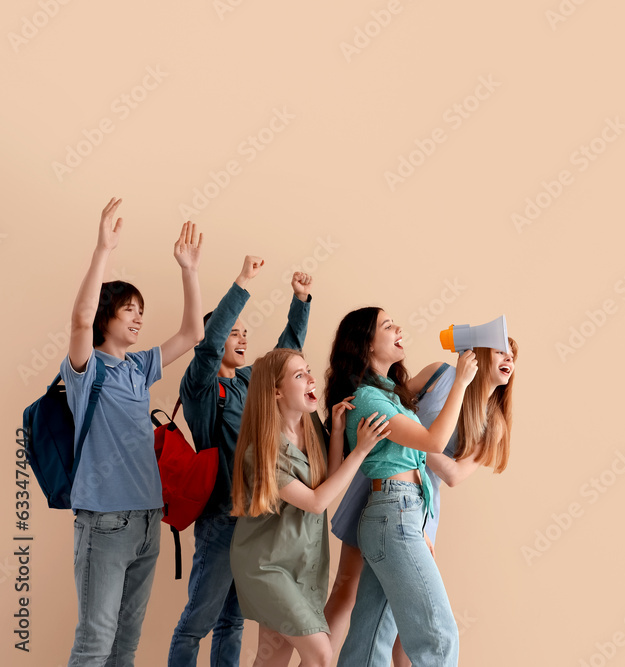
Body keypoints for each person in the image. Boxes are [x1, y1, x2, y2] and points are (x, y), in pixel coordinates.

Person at [63, 197, 204, 666]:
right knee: (95, 642)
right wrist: (102, 251)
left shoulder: (140, 368)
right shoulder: (87, 369)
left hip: (147, 521)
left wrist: (189, 269)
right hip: (104, 524)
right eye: (128, 309)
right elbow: (80, 320)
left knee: (125, 645)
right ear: (108, 317)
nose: (139, 317)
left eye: (140, 309)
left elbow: (192, 333)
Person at [325, 338, 517, 666]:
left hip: (416, 505)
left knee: (378, 630)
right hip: (382, 491)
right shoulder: (440, 374)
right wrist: (412, 440)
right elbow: (391, 405)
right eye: (501, 349)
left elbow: (454, 474)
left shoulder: (492, 420)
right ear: (482, 353)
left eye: (513, 355)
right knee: (352, 596)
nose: (509, 358)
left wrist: (411, 443)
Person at [168, 255, 314, 667]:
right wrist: (243, 283)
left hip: (255, 520)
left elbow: (285, 356)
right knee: (196, 623)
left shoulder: (252, 381)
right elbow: (208, 344)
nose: (242, 338)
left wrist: (300, 301)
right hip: (219, 520)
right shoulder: (201, 386)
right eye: (234, 332)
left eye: (245, 332)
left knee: (233, 622)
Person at [229, 348, 389, 667]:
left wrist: (340, 433)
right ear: (276, 391)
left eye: (308, 370)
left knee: (273, 658)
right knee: (320, 654)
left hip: (303, 565)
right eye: (299, 375)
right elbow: (317, 503)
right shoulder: (259, 454)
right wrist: (360, 452)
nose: (311, 378)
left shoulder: (310, 425)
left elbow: (323, 481)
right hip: (267, 568)